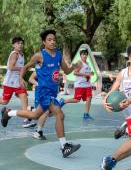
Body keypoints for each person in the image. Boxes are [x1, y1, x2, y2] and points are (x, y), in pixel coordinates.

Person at [1, 29, 81, 157]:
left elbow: (66, 71)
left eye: (54, 39)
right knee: (59, 115)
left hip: (52, 93)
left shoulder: (59, 55)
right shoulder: (40, 55)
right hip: (44, 92)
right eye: (49, 40)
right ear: (44, 42)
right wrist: (21, 78)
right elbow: (25, 67)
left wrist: (75, 66)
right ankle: (64, 146)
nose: (52, 41)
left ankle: (8, 113)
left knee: (34, 115)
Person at [0, 36, 36, 128]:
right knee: (4, 102)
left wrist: (22, 76)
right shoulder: (14, 54)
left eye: (21, 43)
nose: (20, 45)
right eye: (18, 43)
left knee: (24, 98)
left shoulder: (22, 54)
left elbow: (20, 70)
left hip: (18, 82)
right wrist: (23, 68)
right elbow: (11, 67)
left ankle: (26, 120)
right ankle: (6, 111)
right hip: (10, 82)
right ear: (13, 45)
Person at [59, 49, 94, 120]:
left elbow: (87, 73)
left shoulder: (87, 63)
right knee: (77, 100)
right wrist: (85, 74)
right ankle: (64, 101)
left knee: (89, 98)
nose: (85, 55)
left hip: (87, 85)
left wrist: (91, 73)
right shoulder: (79, 63)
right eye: (83, 54)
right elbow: (75, 72)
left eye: (86, 54)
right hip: (80, 85)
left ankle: (86, 114)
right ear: (80, 55)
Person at [28, 71, 50, 140]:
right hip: (40, 94)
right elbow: (30, 79)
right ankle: (38, 132)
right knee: (45, 112)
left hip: (48, 93)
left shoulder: (51, 68)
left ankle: (31, 109)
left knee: (49, 113)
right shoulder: (38, 70)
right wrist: (38, 84)